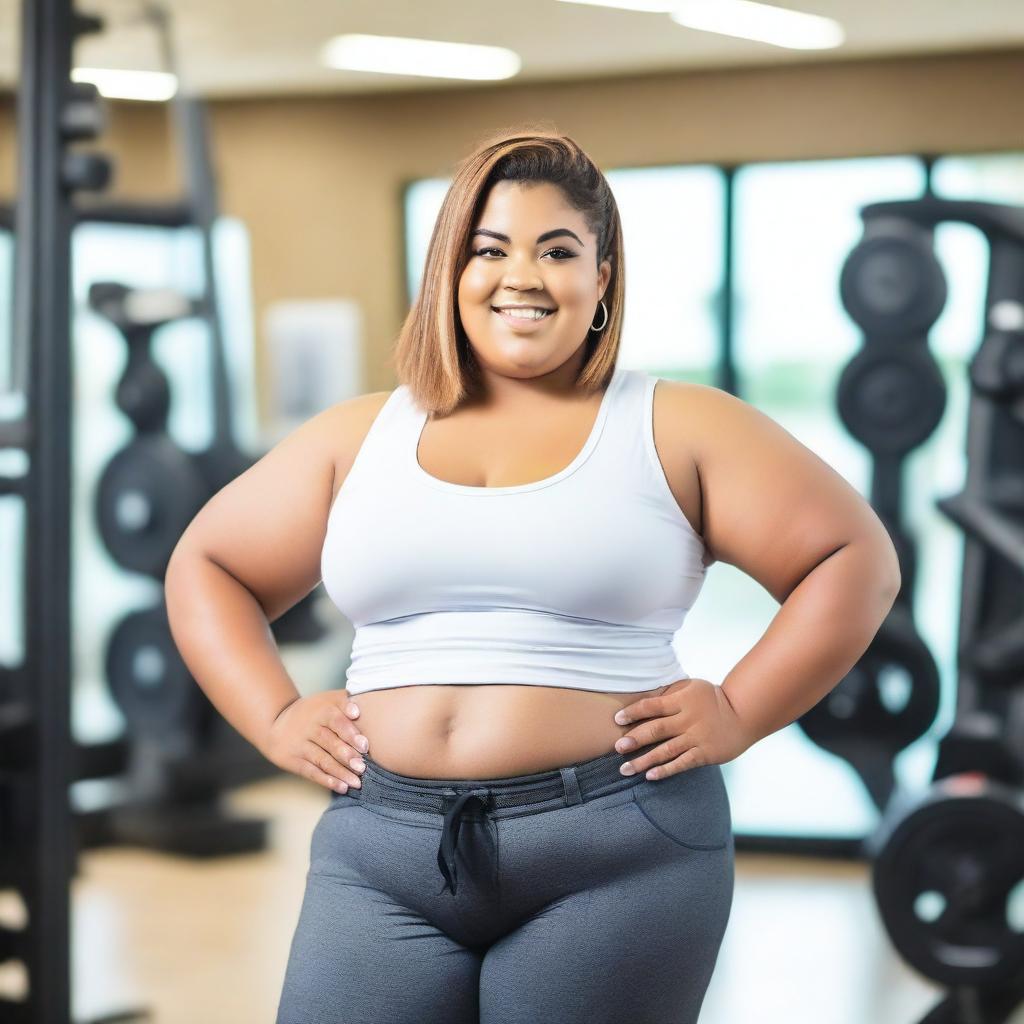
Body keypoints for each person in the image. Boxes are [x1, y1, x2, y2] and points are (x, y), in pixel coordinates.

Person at [165, 125, 902, 1024]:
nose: (522, 275)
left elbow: (854, 560)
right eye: (490, 249)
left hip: (617, 851)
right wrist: (275, 716)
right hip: (382, 850)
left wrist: (741, 708)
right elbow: (207, 566)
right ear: (451, 273)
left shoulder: (676, 426)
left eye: (558, 250)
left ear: (601, 279)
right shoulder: (360, 435)